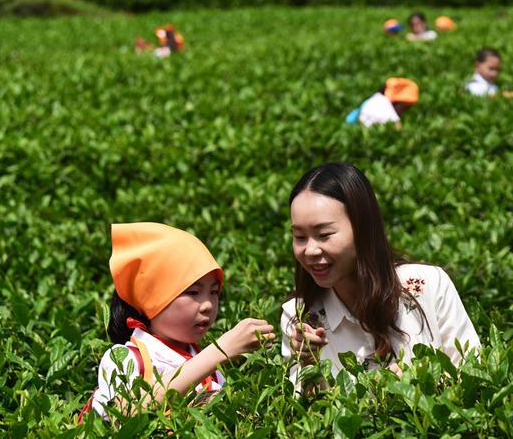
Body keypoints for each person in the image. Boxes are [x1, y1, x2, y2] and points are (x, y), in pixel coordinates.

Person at [281, 163, 480, 384]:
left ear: (363, 229)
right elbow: (304, 413)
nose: (310, 250)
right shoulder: (299, 316)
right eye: (299, 237)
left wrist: (420, 381)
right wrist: (308, 365)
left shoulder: (428, 285)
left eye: (324, 234)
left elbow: (476, 375)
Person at [84, 223, 275, 420]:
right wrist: (219, 351)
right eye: (193, 292)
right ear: (151, 298)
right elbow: (123, 412)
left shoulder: (207, 365)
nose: (208, 305)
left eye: (213, 292)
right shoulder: (126, 358)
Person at [347, 78, 419, 127]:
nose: (403, 111)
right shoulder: (383, 105)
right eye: (405, 107)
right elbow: (398, 128)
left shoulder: (374, 99)